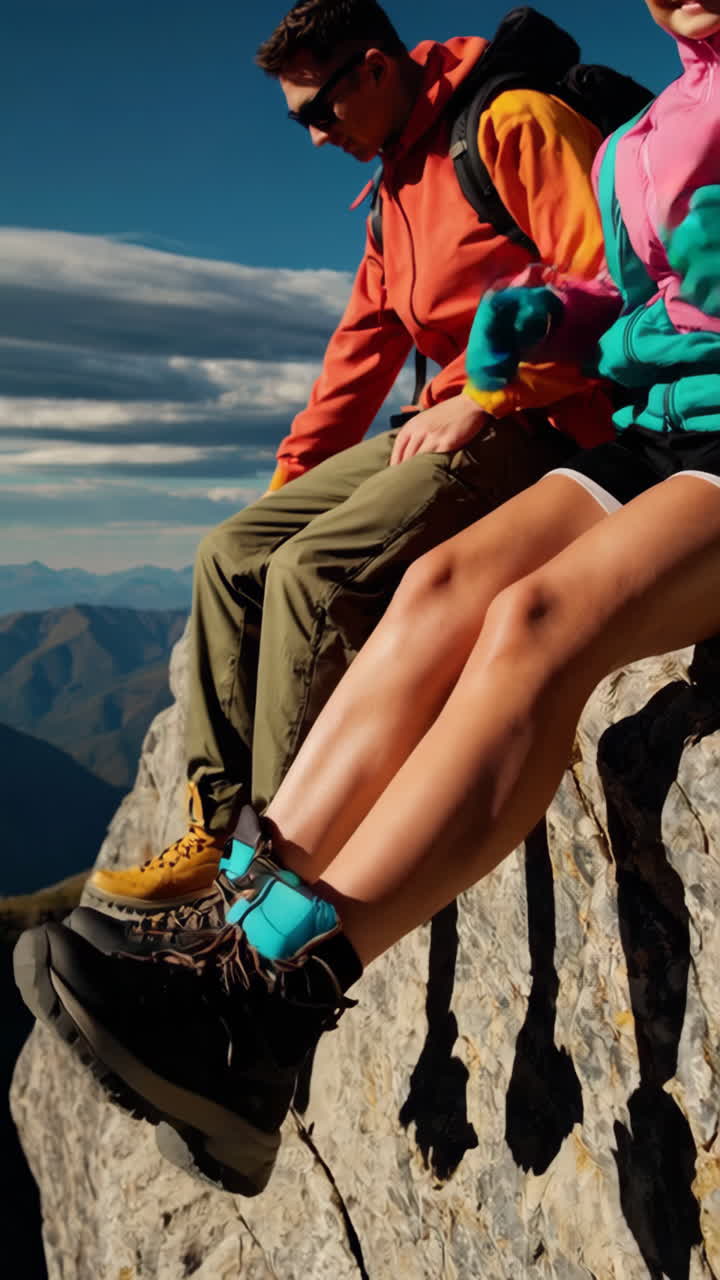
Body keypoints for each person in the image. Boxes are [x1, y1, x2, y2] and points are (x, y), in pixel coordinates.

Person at [83, 0, 616, 920]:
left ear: (374, 69)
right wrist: (293, 484)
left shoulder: (507, 122)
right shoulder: (392, 197)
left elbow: (604, 276)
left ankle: (271, 877)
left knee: (311, 574)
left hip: (542, 416)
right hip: (444, 414)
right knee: (234, 551)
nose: (315, 138)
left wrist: (488, 397)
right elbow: (357, 356)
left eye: (318, 112)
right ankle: (215, 826)